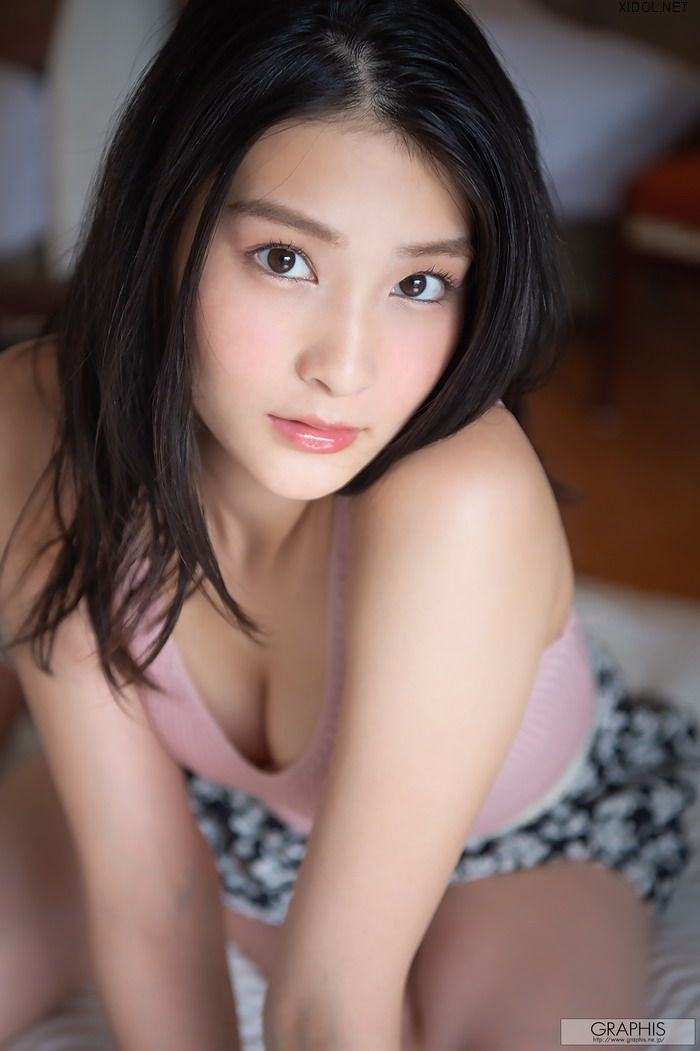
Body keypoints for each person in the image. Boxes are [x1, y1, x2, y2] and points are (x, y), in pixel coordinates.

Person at [0, 1, 698, 1049]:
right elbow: (146, 890)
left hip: (513, 848)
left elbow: (330, 993)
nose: (345, 367)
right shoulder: (33, 420)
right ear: (166, 218)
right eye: (285, 258)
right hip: (201, 802)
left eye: (419, 283)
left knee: (599, 1039)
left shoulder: (460, 502)